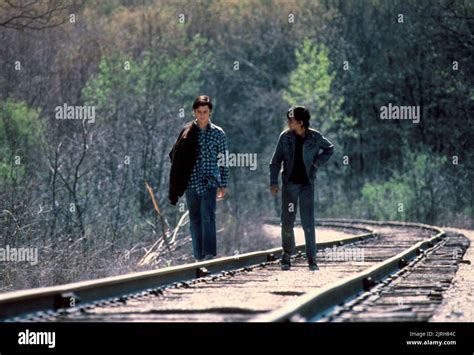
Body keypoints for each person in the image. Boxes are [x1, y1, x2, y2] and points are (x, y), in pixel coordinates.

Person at [269, 106, 334, 271]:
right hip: (290, 185)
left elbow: (329, 149)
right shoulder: (285, 138)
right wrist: (273, 182)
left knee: (308, 221)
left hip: (307, 185)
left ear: (301, 122)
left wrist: (316, 164)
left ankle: (312, 258)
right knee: (287, 221)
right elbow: (275, 161)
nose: (288, 122)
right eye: (288, 119)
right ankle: (286, 255)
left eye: (291, 120)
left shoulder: (315, 137)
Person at [169, 95, 229, 261]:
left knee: (208, 216)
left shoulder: (218, 133)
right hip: (191, 181)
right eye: (199, 112)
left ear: (210, 112)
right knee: (195, 219)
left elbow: (223, 159)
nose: (202, 115)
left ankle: (209, 255)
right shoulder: (187, 133)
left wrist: (223, 183)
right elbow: (175, 155)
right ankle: (198, 257)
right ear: (194, 112)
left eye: (205, 112)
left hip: (210, 181)